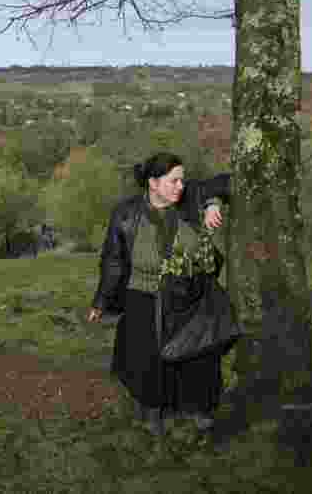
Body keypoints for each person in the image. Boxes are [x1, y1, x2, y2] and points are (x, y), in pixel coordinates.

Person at [85, 152, 232, 436]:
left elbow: (225, 183)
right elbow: (113, 260)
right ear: (153, 183)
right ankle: (153, 410)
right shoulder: (126, 213)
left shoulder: (189, 198)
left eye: (182, 180)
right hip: (144, 294)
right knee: (147, 358)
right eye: (174, 181)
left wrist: (213, 204)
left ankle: (197, 408)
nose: (180, 186)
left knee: (198, 353)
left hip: (189, 293)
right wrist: (101, 301)